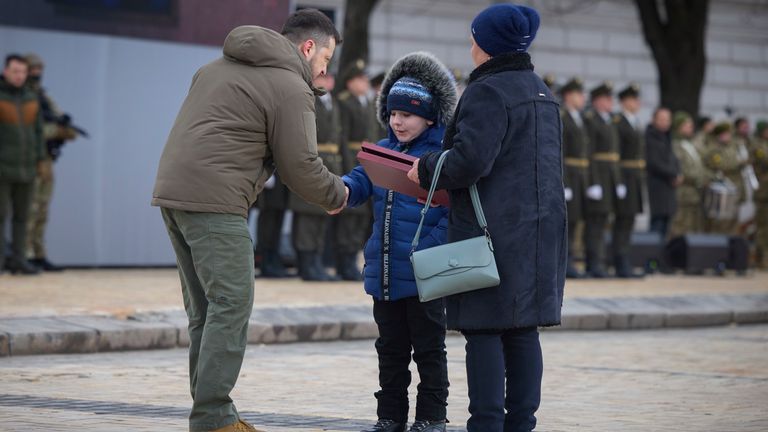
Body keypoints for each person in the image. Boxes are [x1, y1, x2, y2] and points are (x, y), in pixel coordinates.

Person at [151, 10, 348, 432]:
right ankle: (213, 419)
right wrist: (339, 194)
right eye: (326, 60)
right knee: (232, 306)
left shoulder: (215, 67)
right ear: (308, 47)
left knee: (207, 311)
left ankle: (211, 414)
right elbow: (300, 165)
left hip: (174, 194)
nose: (324, 71)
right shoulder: (290, 85)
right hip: (216, 201)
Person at [408, 4, 566, 431]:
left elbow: (469, 161)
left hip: (492, 231)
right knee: (523, 330)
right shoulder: (542, 92)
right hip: (538, 233)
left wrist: (424, 168)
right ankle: (520, 425)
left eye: (475, 37)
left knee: (484, 330)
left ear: (487, 44)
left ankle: (486, 424)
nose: (471, 44)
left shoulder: (488, 91)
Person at [342, 51, 456, 432]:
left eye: (406, 114)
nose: (397, 121)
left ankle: (431, 417)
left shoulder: (442, 157)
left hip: (424, 274)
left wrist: (430, 250)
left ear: (429, 116)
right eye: (392, 113)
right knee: (389, 350)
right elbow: (360, 179)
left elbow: (451, 213)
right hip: (385, 272)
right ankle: (389, 416)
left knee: (428, 350)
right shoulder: (383, 149)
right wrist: (340, 190)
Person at [24, 53, 79, 272]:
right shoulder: (24, 99)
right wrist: (56, 130)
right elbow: (30, 131)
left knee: (42, 210)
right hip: (29, 159)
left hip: (45, 160)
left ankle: (38, 254)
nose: (37, 73)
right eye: (32, 69)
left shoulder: (42, 97)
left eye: (39, 69)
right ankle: (25, 254)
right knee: (29, 209)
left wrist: (61, 126)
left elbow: (68, 130)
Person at [289, 72, 343, 281]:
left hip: (330, 164)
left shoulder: (332, 102)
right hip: (312, 162)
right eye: (321, 78)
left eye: (329, 78)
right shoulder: (308, 99)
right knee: (307, 219)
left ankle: (316, 262)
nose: (326, 81)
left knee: (321, 216)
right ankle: (306, 264)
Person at [335, 59, 381, 280]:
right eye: (361, 79)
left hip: (367, 160)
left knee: (361, 216)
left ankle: (352, 259)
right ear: (351, 82)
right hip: (353, 160)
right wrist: (345, 164)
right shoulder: (345, 103)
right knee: (350, 216)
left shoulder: (367, 102)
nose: (365, 83)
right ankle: (344, 261)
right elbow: (342, 137)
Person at [0, 54, 45, 276]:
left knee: (23, 217)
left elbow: (37, 133)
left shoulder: (31, 97)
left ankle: (19, 259)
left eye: (22, 72)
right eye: (15, 71)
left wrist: (41, 159)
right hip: (3, 168)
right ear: (6, 71)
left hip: (26, 168)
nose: (19, 76)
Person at [583, 81, 621, 278]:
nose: (610, 102)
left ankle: (601, 261)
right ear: (597, 101)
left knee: (604, 220)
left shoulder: (609, 120)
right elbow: (589, 153)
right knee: (595, 222)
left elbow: (614, 154)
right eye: (606, 98)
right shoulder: (591, 119)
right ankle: (593, 263)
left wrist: (619, 180)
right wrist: (593, 181)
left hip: (610, 178)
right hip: (598, 176)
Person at [612, 83, 645, 277]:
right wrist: (619, 181)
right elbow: (616, 153)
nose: (637, 102)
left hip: (635, 177)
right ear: (625, 101)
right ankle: (620, 262)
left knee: (630, 220)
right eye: (633, 99)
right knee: (622, 220)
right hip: (624, 175)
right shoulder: (619, 121)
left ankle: (625, 259)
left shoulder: (635, 121)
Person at [559, 77, 589, 278]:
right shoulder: (563, 117)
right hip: (569, 175)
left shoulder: (579, 118)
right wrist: (564, 182)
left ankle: (572, 260)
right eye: (579, 94)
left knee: (577, 220)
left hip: (580, 177)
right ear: (569, 96)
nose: (583, 98)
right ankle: (566, 262)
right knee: (567, 222)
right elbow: (561, 152)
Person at [669, 112, 710, 238]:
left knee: (694, 228)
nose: (691, 128)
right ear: (678, 127)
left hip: (695, 194)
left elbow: (699, 165)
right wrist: (700, 178)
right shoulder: (675, 144)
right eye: (687, 125)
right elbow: (682, 169)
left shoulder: (690, 144)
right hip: (683, 194)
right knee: (680, 227)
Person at [703, 122, 745, 234]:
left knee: (733, 224)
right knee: (720, 225)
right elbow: (723, 165)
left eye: (729, 134)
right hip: (721, 193)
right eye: (725, 134)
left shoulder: (733, 147)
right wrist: (740, 162)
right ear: (719, 135)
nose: (729, 136)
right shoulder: (714, 149)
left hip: (735, 191)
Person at [645, 107, 680, 238]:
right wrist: (673, 174)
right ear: (654, 120)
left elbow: (674, 158)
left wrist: (678, 174)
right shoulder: (651, 137)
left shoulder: (667, 137)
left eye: (667, 119)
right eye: (661, 119)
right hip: (658, 185)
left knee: (666, 223)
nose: (665, 122)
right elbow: (654, 162)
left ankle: (659, 252)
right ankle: (652, 254)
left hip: (669, 186)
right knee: (657, 224)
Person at [751, 121, 768, 268]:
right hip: (763, 193)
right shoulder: (758, 146)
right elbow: (764, 161)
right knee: (762, 227)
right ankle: (761, 258)